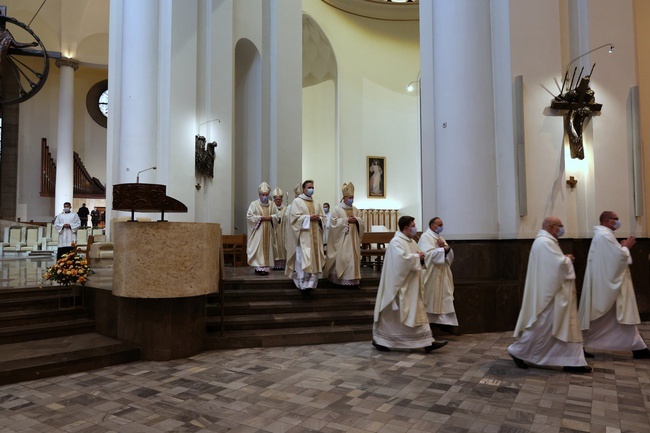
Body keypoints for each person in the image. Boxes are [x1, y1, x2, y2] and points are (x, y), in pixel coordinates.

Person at [507, 217, 591, 373]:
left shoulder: (546, 242)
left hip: (556, 293)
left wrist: (563, 260)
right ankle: (518, 350)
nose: (562, 229)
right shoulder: (545, 242)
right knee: (543, 327)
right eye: (560, 226)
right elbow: (556, 266)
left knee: (562, 326)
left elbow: (553, 263)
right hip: (552, 295)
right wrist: (567, 260)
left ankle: (573, 361)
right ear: (552, 227)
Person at [578, 211, 650, 359]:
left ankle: (638, 347)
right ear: (607, 221)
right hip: (607, 286)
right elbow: (616, 259)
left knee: (619, 317)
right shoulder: (604, 236)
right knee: (603, 317)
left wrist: (621, 248)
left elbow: (612, 257)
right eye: (615, 219)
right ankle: (579, 345)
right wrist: (625, 248)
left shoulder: (605, 235)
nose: (618, 221)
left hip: (609, 285)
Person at [372, 215, 447, 353]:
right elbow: (401, 260)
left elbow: (418, 255)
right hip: (400, 287)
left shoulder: (411, 242)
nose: (415, 228)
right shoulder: (396, 242)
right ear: (406, 228)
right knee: (394, 316)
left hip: (412, 285)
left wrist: (421, 257)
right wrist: (417, 257)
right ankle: (381, 340)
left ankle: (427, 341)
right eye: (413, 225)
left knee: (416, 312)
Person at [285, 180, 326, 299]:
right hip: (303, 239)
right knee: (303, 261)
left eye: (312, 187)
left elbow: (323, 218)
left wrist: (319, 220)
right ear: (303, 189)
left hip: (315, 239)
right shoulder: (297, 202)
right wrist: (308, 218)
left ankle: (311, 286)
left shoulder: (317, 203)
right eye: (309, 187)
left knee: (313, 261)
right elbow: (294, 219)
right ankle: (302, 286)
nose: (311, 189)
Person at [418, 217, 458, 334]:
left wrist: (446, 248)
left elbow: (448, 252)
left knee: (446, 297)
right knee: (431, 298)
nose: (441, 227)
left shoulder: (439, 238)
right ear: (431, 225)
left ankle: (446, 323)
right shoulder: (425, 237)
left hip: (442, 272)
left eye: (442, 224)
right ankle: (429, 323)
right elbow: (428, 255)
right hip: (432, 273)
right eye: (439, 224)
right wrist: (443, 249)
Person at [324, 183, 366, 287]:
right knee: (344, 259)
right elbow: (333, 223)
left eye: (353, 197)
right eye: (350, 197)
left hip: (354, 240)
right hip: (342, 240)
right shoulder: (337, 209)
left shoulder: (355, 210)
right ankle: (341, 280)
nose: (352, 199)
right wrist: (347, 220)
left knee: (353, 260)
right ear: (344, 198)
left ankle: (353, 281)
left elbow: (362, 221)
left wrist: (356, 220)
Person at [246, 182, 280, 275]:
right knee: (259, 249)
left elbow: (278, 215)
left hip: (268, 231)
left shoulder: (272, 204)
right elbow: (249, 216)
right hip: (258, 232)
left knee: (268, 248)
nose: (264, 196)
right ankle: (259, 267)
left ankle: (266, 268)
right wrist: (260, 218)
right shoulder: (254, 204)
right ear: (259, 195)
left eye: (266, 194)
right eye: (263, 195)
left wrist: (271, 217)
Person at [271, 187, 286, 270]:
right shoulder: (271, 209)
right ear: (274, 200)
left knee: (282, 246)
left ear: (282, 200)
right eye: (276, 199)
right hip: (274, 231)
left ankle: (282, 264)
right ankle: (274, 264)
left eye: (279, 199)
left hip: (283, 231)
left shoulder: (285, 209)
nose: (278, 201)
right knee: (275, 245)